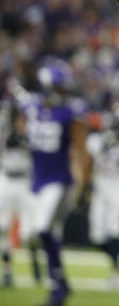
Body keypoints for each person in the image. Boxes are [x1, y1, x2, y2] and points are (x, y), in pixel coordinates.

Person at [20, 58, 91, 306]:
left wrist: (85, 184)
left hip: (58, 180)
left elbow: (83, 150)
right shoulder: (31, 107)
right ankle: (57, 280)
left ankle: (58, 283)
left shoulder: (70, 112)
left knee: (42, 228)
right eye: (60, 86)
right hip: (36, 180)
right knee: (31, 234)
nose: (65, 91)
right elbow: (21, 130)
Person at [86, 102, 119, 290]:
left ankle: (115, 272)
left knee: (116, 229)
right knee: (96, 236)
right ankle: (114, 262)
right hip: (101, 187)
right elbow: (90, 158)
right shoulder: (96, 140)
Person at [0, 92, 40, 287]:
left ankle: (36, 265)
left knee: (29, 231)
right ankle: (7, 271)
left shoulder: (35, 129)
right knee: (2, 226)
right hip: (6, 179)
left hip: (25, 182)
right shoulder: (4, 129)